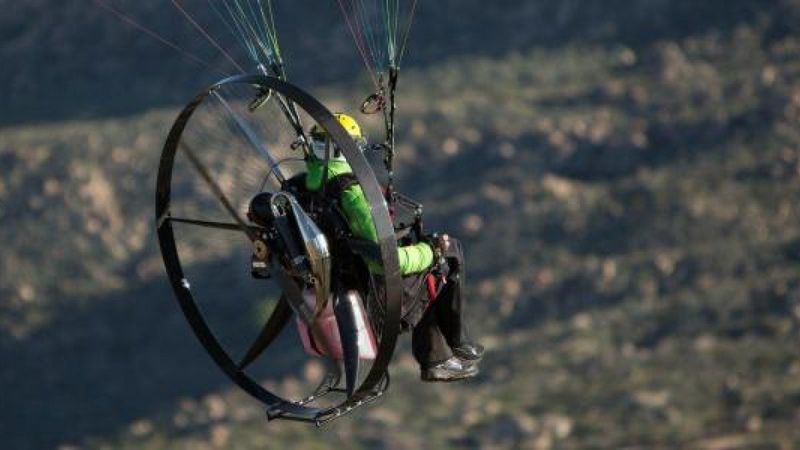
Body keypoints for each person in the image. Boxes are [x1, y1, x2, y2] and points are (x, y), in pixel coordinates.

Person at [302, 113, 484, 382]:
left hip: (350, 282)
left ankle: (440, 357)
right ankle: (454, 342)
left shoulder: (309, 184)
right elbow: (387, 262)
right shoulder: (350, 193)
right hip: (379, 297)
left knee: (430, 262)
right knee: (449, 253)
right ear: (343, 150)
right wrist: (430, 251)